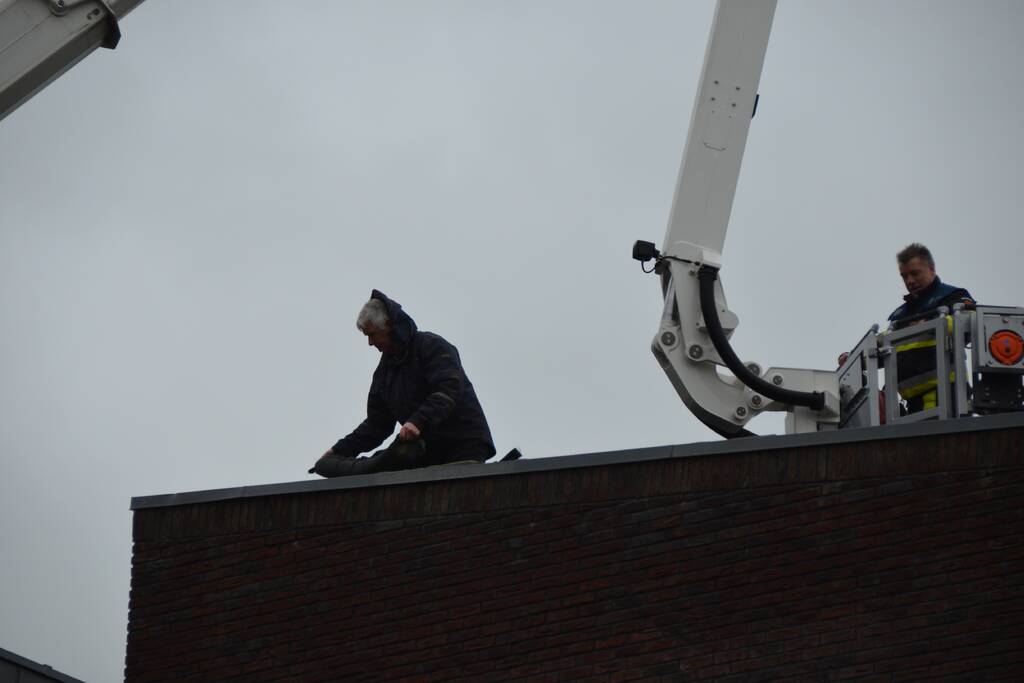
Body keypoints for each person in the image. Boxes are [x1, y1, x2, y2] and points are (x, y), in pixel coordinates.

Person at [310, 290, 495, 477]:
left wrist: (418, 422)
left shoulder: (432, 346)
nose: (370, 343)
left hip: (462, 445)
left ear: (388, 326)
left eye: (372, 335)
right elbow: (377, 425)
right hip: (426, 451)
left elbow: (448, 389)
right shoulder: (384, 372)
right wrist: (339, 451)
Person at [886, 243, 974, 413]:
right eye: (904, 276)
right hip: (911, 404)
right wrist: (855, 357)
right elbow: (885, 347)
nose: (909, 281)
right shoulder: (900, 315)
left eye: (915, 273)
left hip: (946, 398)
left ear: (932, 269)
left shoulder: (953, 297)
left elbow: (971, 322)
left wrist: (932, 324)